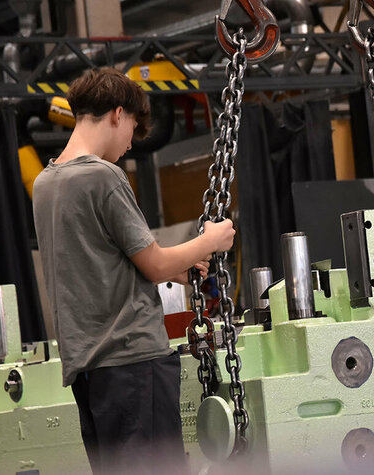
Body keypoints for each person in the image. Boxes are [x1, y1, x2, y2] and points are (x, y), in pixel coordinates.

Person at [33, 67, 236, 474]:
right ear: (117, 114)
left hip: (89, 372)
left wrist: (181, 267)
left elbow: (106, 263)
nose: (129, 144)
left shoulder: (45, 184)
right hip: (133, 363)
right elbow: (155, 261)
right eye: (132, 130)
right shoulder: (103, 176)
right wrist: (211, 240)